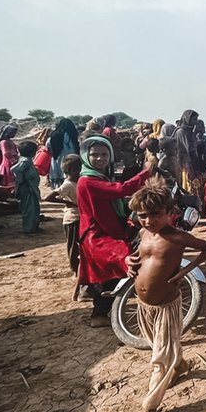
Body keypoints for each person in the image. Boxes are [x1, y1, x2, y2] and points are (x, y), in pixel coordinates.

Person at [127, 176, 206, 412]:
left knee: (160, 360)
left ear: (169, 212)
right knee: (159, 346)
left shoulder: (177, 237)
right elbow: (138, 257)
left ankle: (150, 408)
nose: (149, 221)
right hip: (144, 305)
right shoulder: (143, 233)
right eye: (143, 215)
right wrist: (128, 263)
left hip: (166, 305)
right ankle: (180, 365)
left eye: (155, 214)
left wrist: (185, 271)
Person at [77, 135, 152, 326]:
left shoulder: (100, 176)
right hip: (97, 235)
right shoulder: (87, 181)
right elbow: (120, 190)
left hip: (109, 228)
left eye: (104, 154)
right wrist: (146, 172)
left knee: (113, 271)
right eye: (94, 155)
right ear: (86, 156)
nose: (100, 158)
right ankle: (99, 314)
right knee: (122, 259)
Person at [44, 154, 82, 274]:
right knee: (73, 245)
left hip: (78, 217)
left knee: (79, 244)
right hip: (72, 219)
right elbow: (49, 197)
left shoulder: (76, 182)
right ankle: (74, 268)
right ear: (73, 170)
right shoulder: (68, 185)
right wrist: (68, 202)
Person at [12, 141, 42, 234]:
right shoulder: (25, 161)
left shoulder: (26, 159)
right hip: (27, 188)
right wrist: (21, 180)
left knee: (34, 207)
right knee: (29, 209)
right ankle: (29, 228)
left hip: (31, 187)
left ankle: (34, 226)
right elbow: (15, 169)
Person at [47, 118, 80, 188]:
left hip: (57, 161)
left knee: (58, 184)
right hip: (72, 161)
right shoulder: (74, 136)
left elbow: (48, 148)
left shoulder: (53, 136)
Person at [0, 124, 20, 191]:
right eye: (12, 132)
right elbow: (6, 153)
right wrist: (15, 161)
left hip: (12, 164)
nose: (14, 134)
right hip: (8, 165)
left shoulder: (10, 141)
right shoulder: (4, 142)